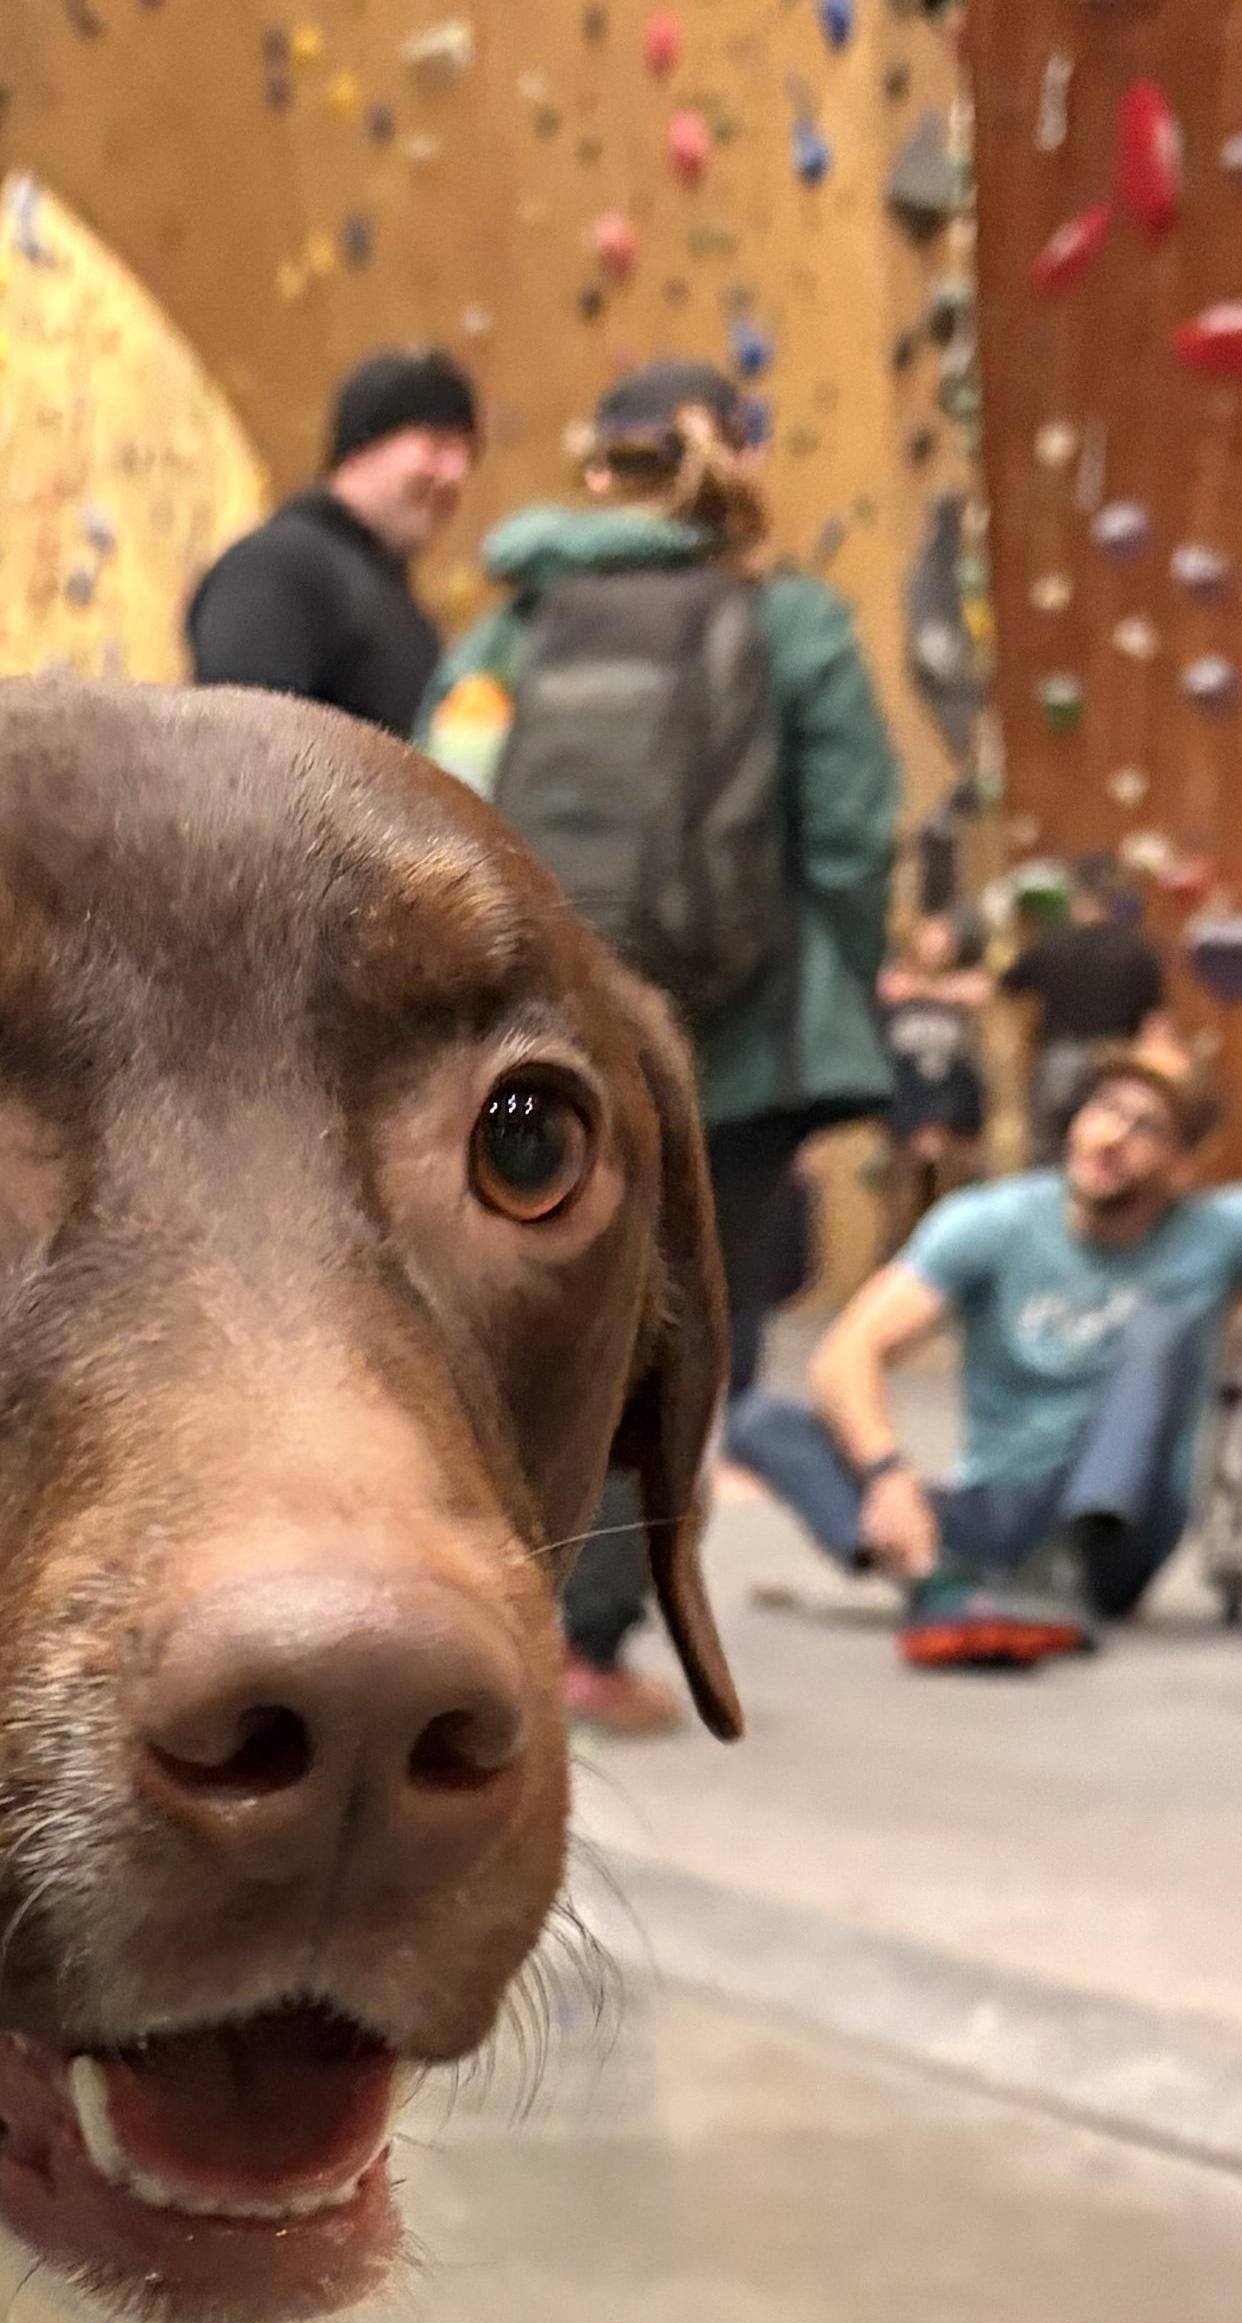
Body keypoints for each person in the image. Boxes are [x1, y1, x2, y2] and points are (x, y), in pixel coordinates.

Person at [421, 355, 902, 1729]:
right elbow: (857, 838)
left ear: (595, 466)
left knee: (499, 1310)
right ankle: (589, 1638)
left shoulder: (511, 628)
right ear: (731, 461)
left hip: (528, 1040)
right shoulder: (790, 624)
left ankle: (482, 1604)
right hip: (734, 1043)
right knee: (682, 1329)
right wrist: (824, 1005)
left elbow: (426, 801)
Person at [729, 1045, 1242, 1670]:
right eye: (1104, 1109)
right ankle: (938, 1581)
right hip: (998, 1511)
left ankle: (1057, 1571)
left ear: (1183, 1166)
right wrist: (887, 1476)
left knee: (1155, 1327)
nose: (1111, 1136)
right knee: (757, 1419)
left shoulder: (1218, 1230)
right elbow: (846, 1354)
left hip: (1118, 1534)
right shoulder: (992, 1222)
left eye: (1145, 1126)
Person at [183, 347, 480, 736]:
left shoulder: (397, 605)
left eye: (467, 454)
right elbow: (240, 752)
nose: (456, 475)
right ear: (362, 448)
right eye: (438, 445)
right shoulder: (278, 565)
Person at [1001, 864, 1169, 1161]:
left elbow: (1006, 986)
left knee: (1047, 1154)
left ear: (1078, 900)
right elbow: (1155, 1024)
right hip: (1113, 1062)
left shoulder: (1053, 943)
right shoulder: (1139, 950)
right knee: (1106, 1155)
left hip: (1059, 1060)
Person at [873, 906, 993, 1256]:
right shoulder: (893, 979)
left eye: (945, 939)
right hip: (907, 1096)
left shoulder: (966, 981)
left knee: (961, 1186)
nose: (936, 946)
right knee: (902, 1190)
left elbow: (976, 992)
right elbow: (889, 989)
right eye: (930, 937)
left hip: (957, 1096)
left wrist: (921, 990)